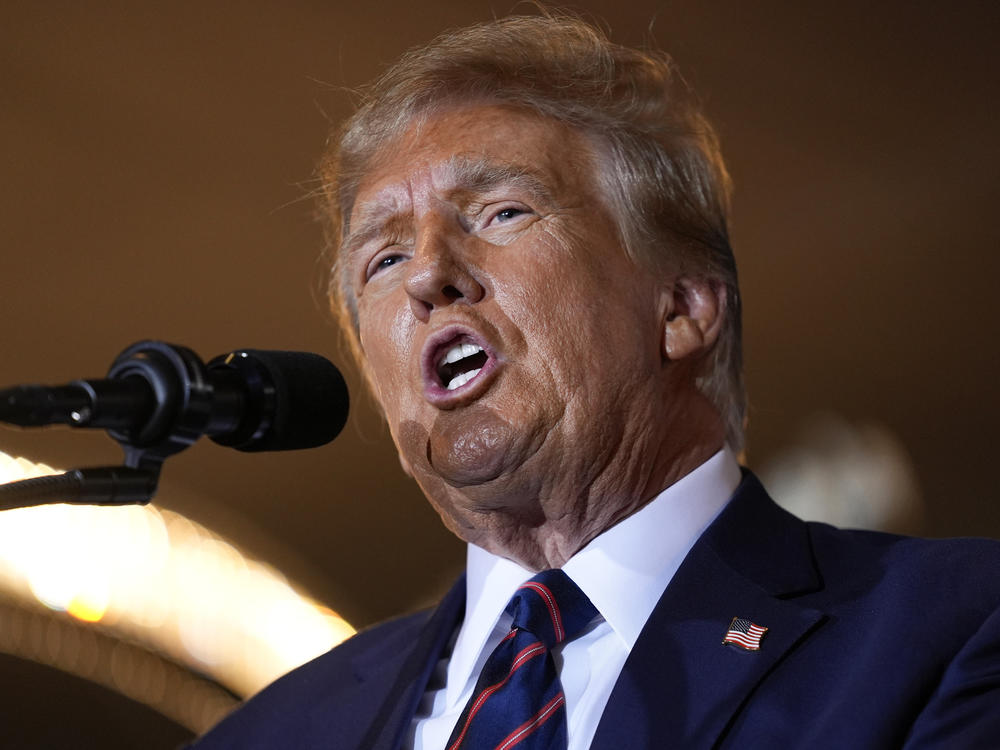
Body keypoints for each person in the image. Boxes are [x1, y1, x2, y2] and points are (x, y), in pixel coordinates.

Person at [190, 13, 1000, 749]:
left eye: (502, 213)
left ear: (682, 306)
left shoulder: (952, 633)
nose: (428, 275)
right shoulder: (265, 734)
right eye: (385, 258)